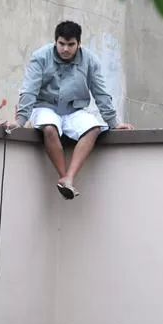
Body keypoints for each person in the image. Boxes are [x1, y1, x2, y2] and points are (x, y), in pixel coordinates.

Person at [15, 20, 133, 199]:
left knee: (94, 128)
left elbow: (100, 93)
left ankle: (69, 178)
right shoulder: (40, 57)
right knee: (49, 127)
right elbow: (29, 90)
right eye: (61, 43)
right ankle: (63, 177)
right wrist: (19, 121)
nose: (65, 49)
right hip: (45, 107)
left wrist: (114, 123)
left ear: (79, 44)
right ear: (56, 41)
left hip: (74, 110)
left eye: (71, 44)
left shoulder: (90, 60)